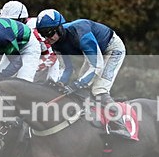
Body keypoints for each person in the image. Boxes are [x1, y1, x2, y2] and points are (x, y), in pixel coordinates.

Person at [35, 8, 130, 138]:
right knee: (82, 88)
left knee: (98, 89)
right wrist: (60, 84)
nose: (47, 38)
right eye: (42, 34)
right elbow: (66, 68)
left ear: (60, 28)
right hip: (96, 54)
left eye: (49, 32)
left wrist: (75, 85)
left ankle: (121, 125)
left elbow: (97, 65)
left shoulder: (81, 34)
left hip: (112, 50)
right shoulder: (56, 43)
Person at [0, 0, 61, 82]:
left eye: (10, 21)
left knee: (22, 80)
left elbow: (51, 57)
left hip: (45, 58)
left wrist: (33, 68)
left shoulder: (33, 31)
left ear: (21, 20)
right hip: (23, 52)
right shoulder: (17, 27)